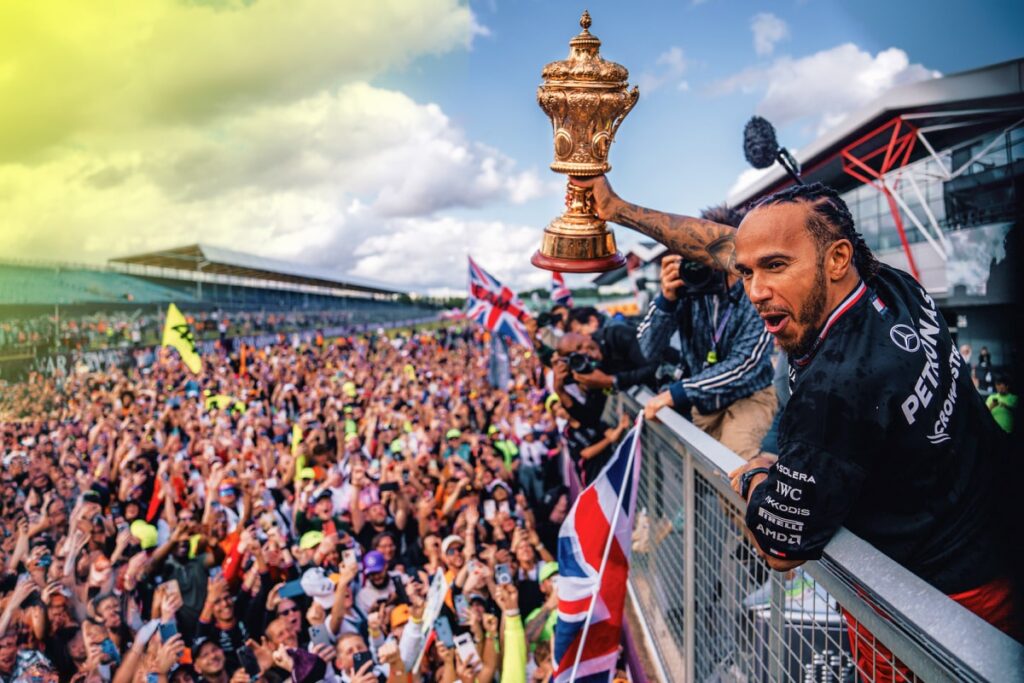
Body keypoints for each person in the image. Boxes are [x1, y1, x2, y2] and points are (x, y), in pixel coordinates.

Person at [572, 175, 1019, 662]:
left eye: (776, 267)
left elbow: (780, 550)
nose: (756, 291)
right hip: (997, 533)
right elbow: (720, 243)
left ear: (837, 258)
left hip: (939, 614)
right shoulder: (890, 284)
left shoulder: (834, 390)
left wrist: (760, 473)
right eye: (746, 272)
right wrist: (617, 208)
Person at [638, 204, 777, 460]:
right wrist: (666, 301)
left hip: (748, 397)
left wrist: (678, 393)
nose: (705, 264)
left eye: (713, 253)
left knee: (734, 466)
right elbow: (644, 352)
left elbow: (747, 363)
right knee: (704, 471)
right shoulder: (687, 288)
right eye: (698, 253)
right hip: (703, 404)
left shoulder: (755, 291)